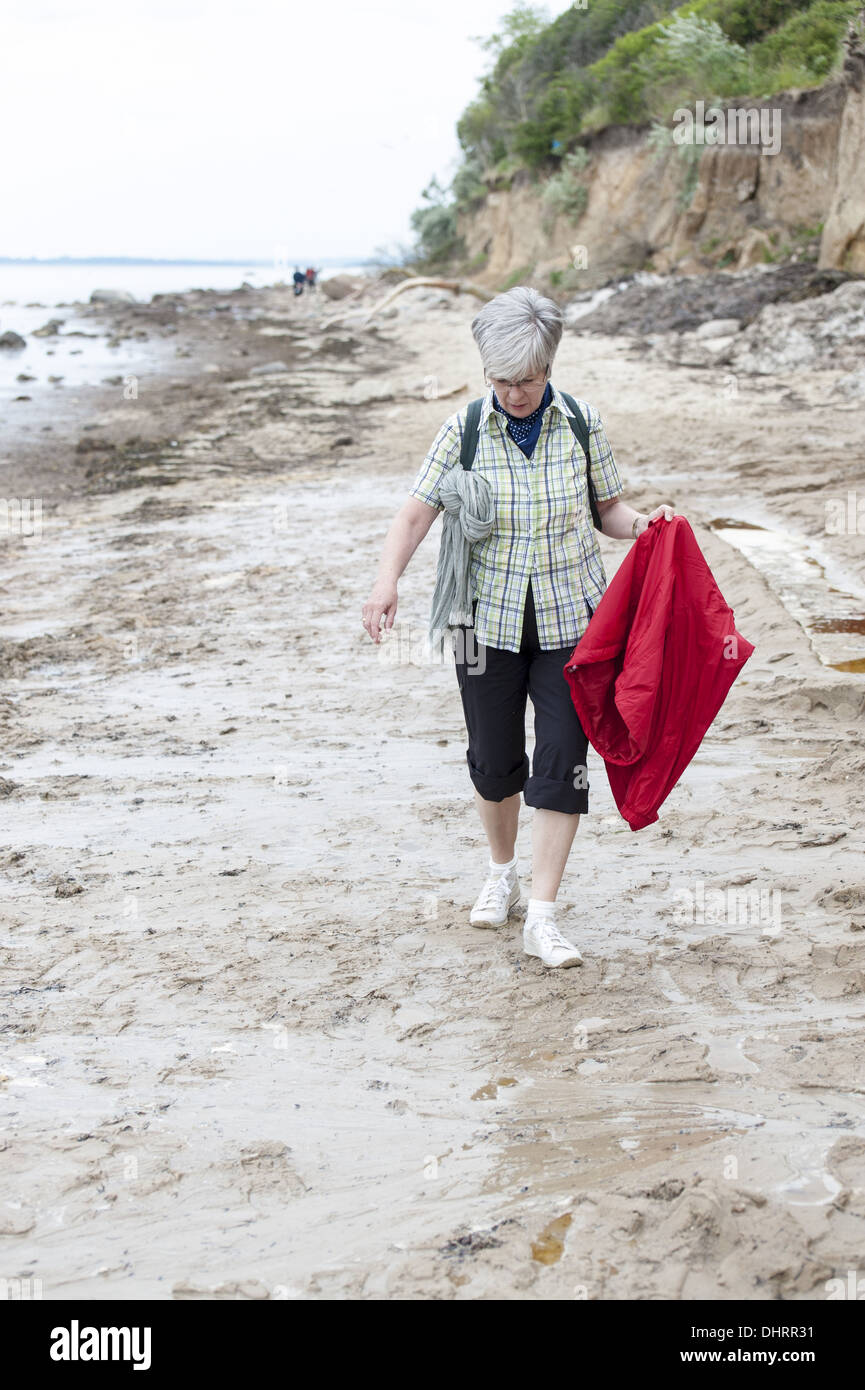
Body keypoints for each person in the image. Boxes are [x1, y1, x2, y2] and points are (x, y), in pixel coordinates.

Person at [361, 286, 676, 968]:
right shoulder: (465, 428)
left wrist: (645, 527)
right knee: (494, 761)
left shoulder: (581, 424)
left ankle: (542, 914)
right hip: (482, 624)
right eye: (501, 381)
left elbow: (608, 513)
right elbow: (416, 514)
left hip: (572, 624)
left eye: (526, 381)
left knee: (563, 765)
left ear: (548, 368)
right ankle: (500, 871)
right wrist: (387, 580)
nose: (514, 394)